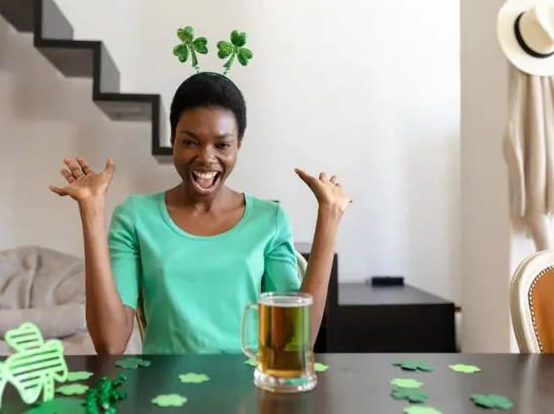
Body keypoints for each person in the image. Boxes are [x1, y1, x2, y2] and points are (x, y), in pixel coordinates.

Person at [49, 72, 351, 355]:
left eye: (222, 144)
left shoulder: (268, 219)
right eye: (191, 142)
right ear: (173, 141)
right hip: (164, 397)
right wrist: (92, 210)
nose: (206, 158)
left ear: (238, 146)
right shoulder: (135, 217)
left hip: (248, 395)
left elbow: (295, 341)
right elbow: (110, 343)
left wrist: (329, 216)